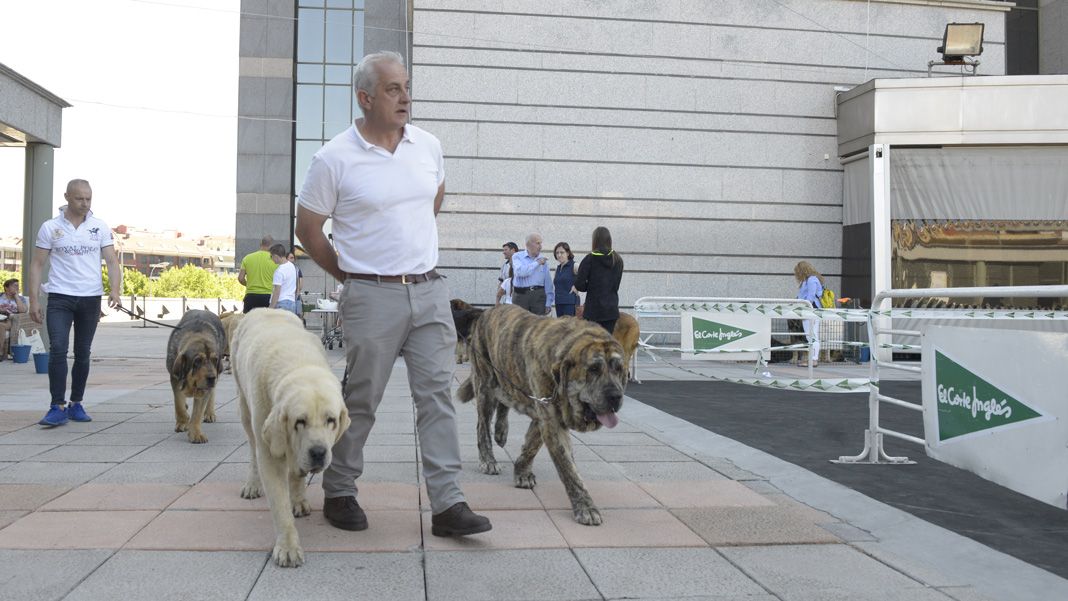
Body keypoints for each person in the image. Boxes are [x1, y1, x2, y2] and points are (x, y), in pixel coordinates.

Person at [295, 50, 490, 537]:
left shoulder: (428, 145)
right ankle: (339, 490)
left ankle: (448, 505)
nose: (405, 97)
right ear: (365, 98)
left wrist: (410, 251)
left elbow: (433, 199)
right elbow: (309, 228)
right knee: (360, 401)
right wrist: (352, 277)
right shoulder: (334, 158)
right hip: (370, 295)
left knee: (438, 399)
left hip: (428, 291)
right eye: (392, 89)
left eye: (406, 86)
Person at [26, 179, 122, 427]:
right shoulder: (50, 227)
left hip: (90, 298)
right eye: (80, 198)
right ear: (67, 196)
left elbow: (111, 261)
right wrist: (34, 299)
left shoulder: (99, 227)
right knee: (58, 348)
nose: (85, 203)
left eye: (89, 198)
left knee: (83, 352)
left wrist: (115, 290)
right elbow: (37, 264)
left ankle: (76, 403)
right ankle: (56, 406)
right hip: (59, 296)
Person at [574, 226, 624, 334]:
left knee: (593, 344)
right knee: (606, 344)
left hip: (593, 311)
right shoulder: (618, 259)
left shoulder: (589, 259)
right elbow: (616, 285)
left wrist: (590, 286)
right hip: (611, 311)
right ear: (609, 240)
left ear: (594, 240)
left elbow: (579, 285)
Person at [510, 233, 554, 315]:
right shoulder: (517, 256)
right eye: (538, 243)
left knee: (538, 325)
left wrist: (548, 302)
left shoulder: (543, 260)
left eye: (541, 243)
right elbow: (520, 272)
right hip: (520, 296)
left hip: (538, 296)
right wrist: (537, 263)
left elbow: (548, 282)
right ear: (528, 245)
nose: (540, 246)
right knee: (519, 324)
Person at [793, 260, 824, 367]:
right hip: (809, 310)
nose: (797, 275)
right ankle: (813, 359)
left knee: (812, 335)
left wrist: (802, 306)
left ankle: (814, 360)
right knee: (811, 335)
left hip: (811, 310)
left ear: (802, 271)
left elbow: (810, 297)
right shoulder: (810, 280)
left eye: (798, 272)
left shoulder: (811, 280)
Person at [238, 235, 277, 313]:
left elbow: (241, 278)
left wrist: (248, 285)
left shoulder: (247, 258)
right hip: (268, 296)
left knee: (249, 323)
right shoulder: (275, 260)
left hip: (251, 296)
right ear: (272, 246)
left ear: (260, 244)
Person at [0, 278, 29, 360]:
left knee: (1, 326)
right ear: (6, 287)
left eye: (18, 286)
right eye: (14, 286)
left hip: (10, 320)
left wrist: (16, 296)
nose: (17, 287)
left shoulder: (21, 299)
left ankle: (1, 352)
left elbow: (23, 310)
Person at [268, 244, 299, 315]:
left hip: (281, 303)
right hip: (291, 303)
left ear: (275, 256)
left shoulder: (279, 271)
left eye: (271, 256)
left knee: (278, 326)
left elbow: (276, 292)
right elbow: (297, 285)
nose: (271, 259)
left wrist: (270, 309)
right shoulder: (292, 267)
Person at [552, 242, 581, 317]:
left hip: (571, 303)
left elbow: (586, 277)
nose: (559, 255)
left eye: (562, 252)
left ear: (568, 253)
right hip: (558, 303)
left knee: (570, 328)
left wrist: (577, 286)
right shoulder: (557, 269)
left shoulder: (574, 265)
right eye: (557, 253)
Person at [287, 249, 304, 317]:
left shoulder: (297, 270)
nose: (292, 259)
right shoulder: (282, 269)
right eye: (291, 258)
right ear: (286, 258)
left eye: (293, 258)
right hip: (288, 297)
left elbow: (300, 286)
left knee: (297, 316)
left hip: (296, 297)